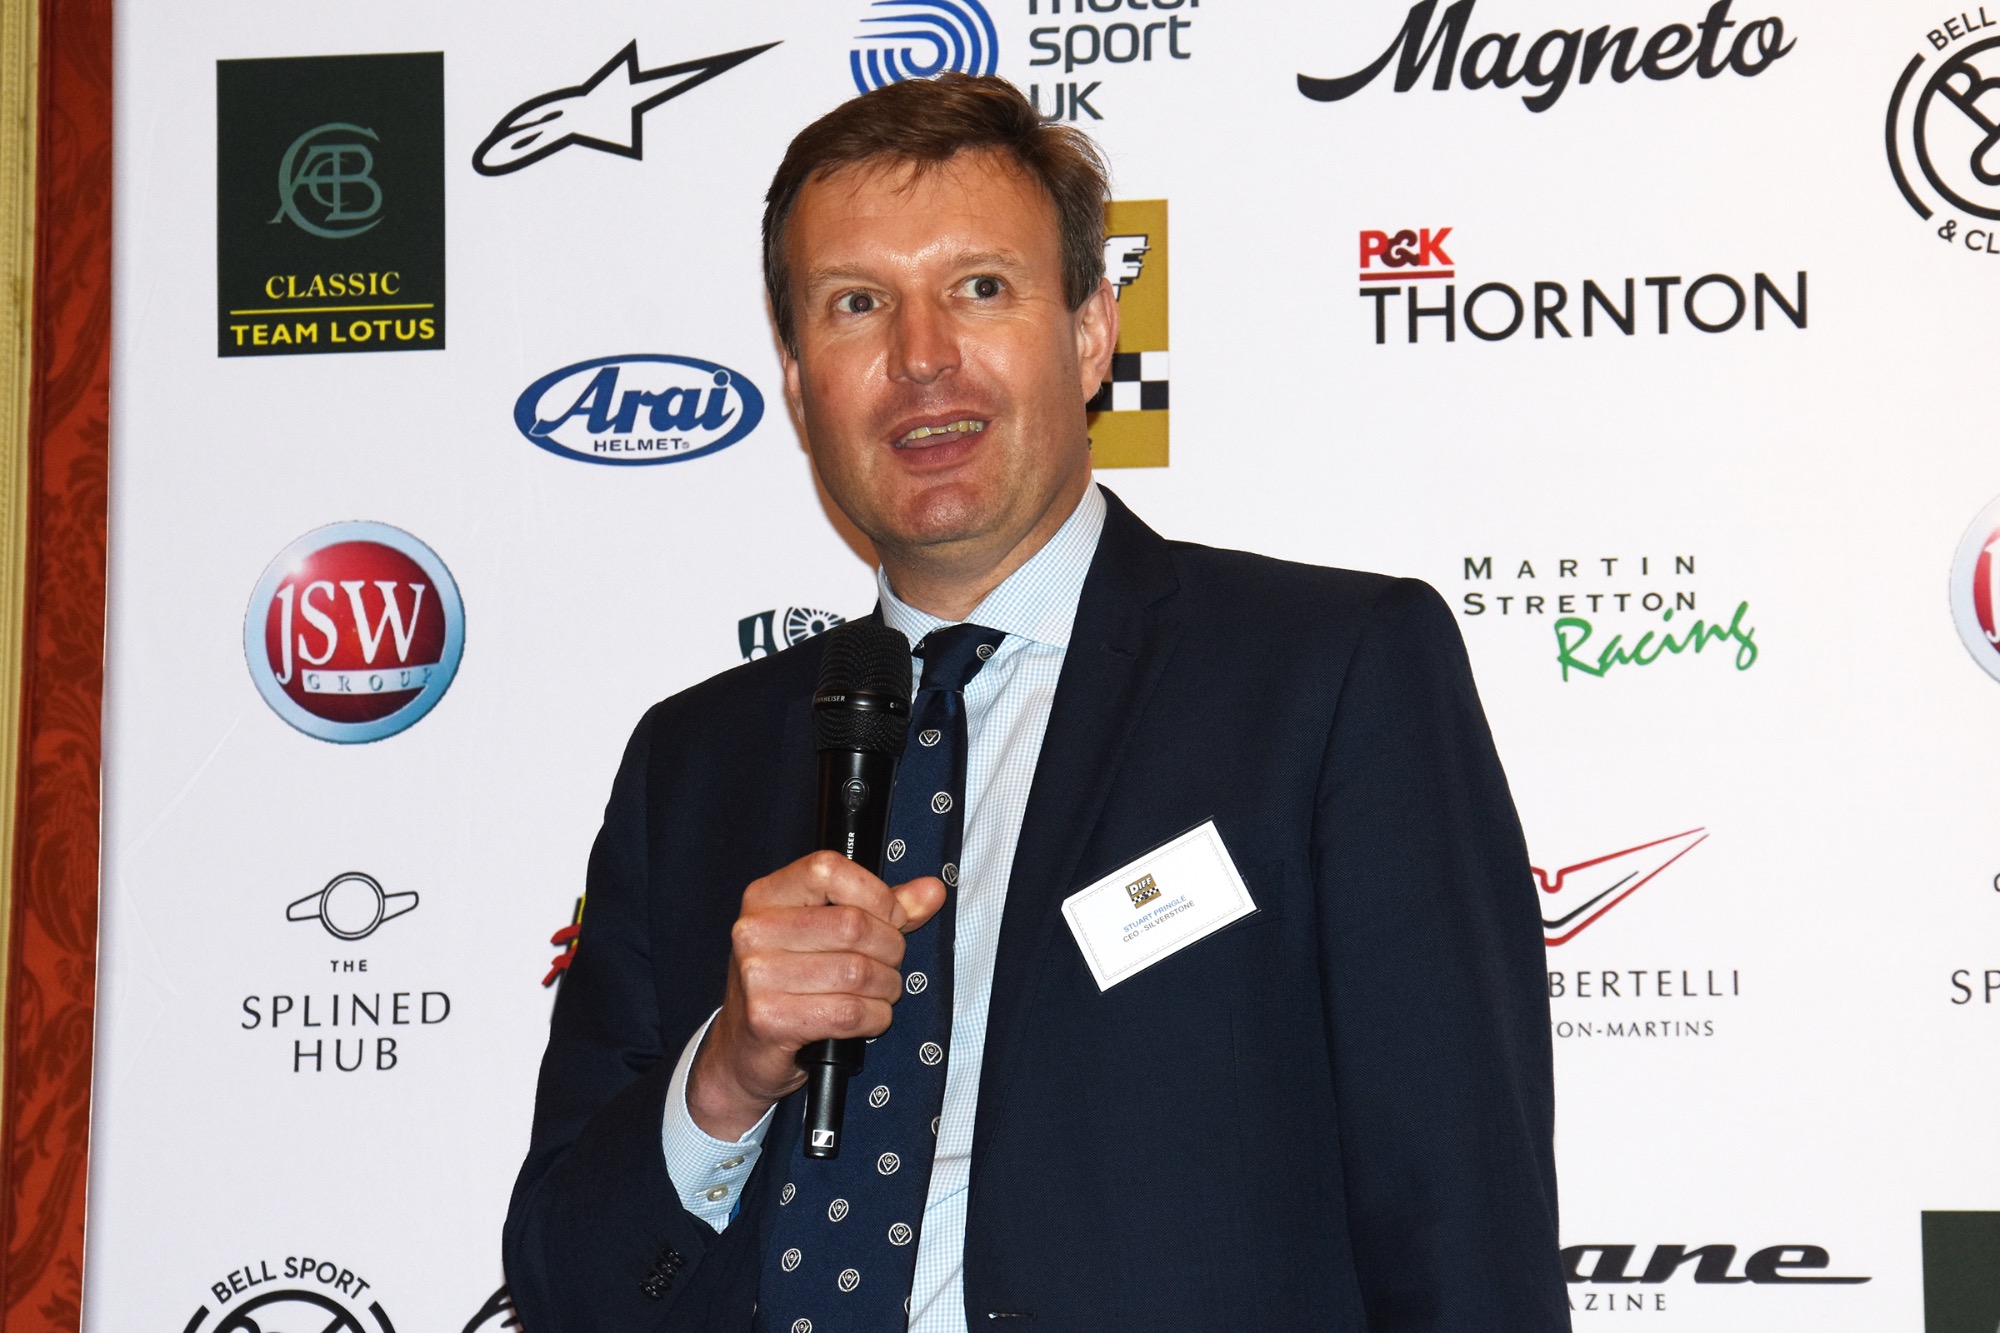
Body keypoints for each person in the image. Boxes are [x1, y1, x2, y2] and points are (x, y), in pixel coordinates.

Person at [503, 74, 1566, 1332]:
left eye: (978, 287)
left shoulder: (1328, 678)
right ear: (795, 378)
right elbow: (568, 1291)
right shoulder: (691, 762)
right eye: (856, 304)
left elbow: (1463, 1230)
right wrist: (724, 1076)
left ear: (1091, 330)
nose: (919, 356)